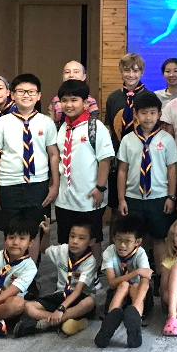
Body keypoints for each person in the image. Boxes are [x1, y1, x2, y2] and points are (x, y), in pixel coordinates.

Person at [0, 73, 59, 263]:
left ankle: (30, 272)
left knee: (36, 228)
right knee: (11, 230)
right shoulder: (2, 122)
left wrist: (55, 185)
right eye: (21, 91)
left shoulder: (46, 122)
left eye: (31, 92)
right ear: (12, 94)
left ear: (39, 95)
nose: (26, 95)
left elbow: (53, 154)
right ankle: (11, 270)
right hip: (9, 184)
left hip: (38, 185)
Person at [117, 91, 177, 292]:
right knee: (137, 240)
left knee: (160, 238)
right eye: (143, 113)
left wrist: (171, 196)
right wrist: (121, 199)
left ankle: (160, 277)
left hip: (159, 198)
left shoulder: (166, 139)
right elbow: (122, 170)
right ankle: (139, 278)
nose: (148, 118)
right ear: (136, 115)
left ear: (159, 114)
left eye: (153, 113)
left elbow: (171, 169)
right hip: (133, 198)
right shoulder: (128, 140)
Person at [54, 79, 114, 273]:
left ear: (85, 103)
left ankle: (93, 273)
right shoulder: (62, 127)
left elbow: (105, 159)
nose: (69, 105)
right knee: (67, 239)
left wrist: (100, 188)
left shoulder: (95, 127)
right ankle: (68, 274)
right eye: (64, 100)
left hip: (89, 196)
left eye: (74, 100)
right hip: (65, 198)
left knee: (92, 238)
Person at [14, 220, 97, 337]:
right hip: (60, 294)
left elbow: (78, 291)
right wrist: (47, 233)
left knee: (90, 302)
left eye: (81, 238)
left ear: (91, 242)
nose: (75, 241)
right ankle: (63, 322)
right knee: (27, 306)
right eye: (72, 236)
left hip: (79, 297)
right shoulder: (63, 250)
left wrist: (61, 309)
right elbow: (44, 249)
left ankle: (45, 323)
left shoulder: (90, 261)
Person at [104, 53, 150, 231]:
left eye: (136, 71)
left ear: (142, 72)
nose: (131, 75)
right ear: (120, 71)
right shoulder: (113, 98)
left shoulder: (149, 97)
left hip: (142, 159)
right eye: (127, 70)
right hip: (118, 160)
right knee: (117, 209)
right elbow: (109, 128)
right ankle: (115, 243)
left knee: (142, 210)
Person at [95, 215, 153, 348]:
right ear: (113, 238)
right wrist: (136, 272)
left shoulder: (140, 253)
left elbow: (145, 283)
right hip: (117, 293)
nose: (122, 245)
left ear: (137, 242)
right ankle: (109, 323)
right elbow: (111, 283)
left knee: (135, 286)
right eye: (119, 240)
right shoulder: (109, 252)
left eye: (128, 241)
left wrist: (136, 304)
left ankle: (135, 319)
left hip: (139, 297)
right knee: (124, 285)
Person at [47, 60, 99, 126]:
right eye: (67, 72)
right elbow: (50, 121)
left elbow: (94, 123)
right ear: (63, 76)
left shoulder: (91, 101)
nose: (71, 75)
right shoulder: (56, 100)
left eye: (76, 72)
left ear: (84, 76)